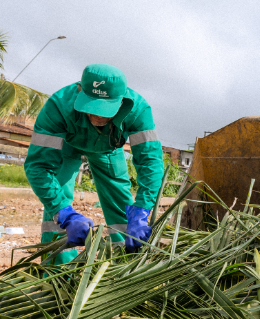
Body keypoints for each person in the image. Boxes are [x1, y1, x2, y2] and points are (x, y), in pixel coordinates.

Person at [24, 63, 164, 262]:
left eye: (107, 109)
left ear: (122, 100)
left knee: (121, 202)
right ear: (80, 90)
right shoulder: (58, 106)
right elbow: (39, 165)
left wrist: (142, 209)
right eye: (92, 107)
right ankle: (60, 268)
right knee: (57, 193)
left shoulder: (138, 109)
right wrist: (63, 212)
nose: (99, 115)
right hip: (67, 145)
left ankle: (125, 262)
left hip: (108, 148)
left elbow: (150, 162)